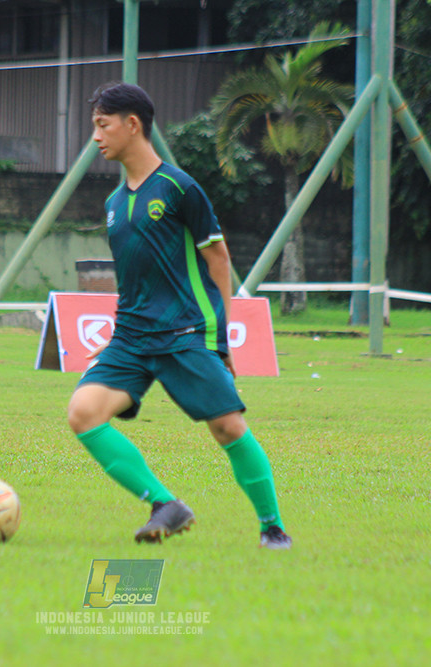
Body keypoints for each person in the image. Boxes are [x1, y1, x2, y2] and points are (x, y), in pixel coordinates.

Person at [66, 81, 292, 549]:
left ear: (132, 124)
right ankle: (165, 505)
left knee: (228, 427)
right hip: (131, 338)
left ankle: (273, 528)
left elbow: (219, 260)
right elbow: (135, 277)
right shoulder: (114, 204)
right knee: (83, 413)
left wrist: (221, 338)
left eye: (103, 125)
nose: (96, 136)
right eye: (95, 126)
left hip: (184, 332)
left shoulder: (179, 187)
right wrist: (115, 334)